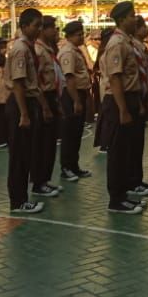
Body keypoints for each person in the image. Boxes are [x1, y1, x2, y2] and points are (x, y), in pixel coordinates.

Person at [101, 1, 145, 214]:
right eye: (131, 16)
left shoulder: (127, 42)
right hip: (120, 100)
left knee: (126, 150)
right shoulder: (117, 43)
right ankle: (116, 199)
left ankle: (124, 193)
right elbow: (115, 78)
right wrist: (123, 110)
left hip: (130, 98)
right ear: (121, 20)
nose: (135, 19)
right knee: (117, 152)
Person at [5, 8, 45, 214]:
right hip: (21, 103)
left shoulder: (28, 47)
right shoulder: (20, 49)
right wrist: (24, 114)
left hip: (28, 102)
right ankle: (18, 201)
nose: (39, 29)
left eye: (41, 25)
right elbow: (19, 82)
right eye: (36, 25)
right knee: (19, 154)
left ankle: (22, 198)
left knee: (26, 152)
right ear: (24, 26)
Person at [58, 20, 91, 182]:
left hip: (79, 94)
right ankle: (66, 167)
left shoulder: (75, 50)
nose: (82, 37)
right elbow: (69, 77)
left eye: (82, 34)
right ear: (70, 36)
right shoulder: (68, 52)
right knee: (69, 133)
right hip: (72, 95)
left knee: (77, 133)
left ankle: (74, 165)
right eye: (79, 35)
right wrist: (76, 100)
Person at [32, 16, 62, 199]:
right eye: (53, 29)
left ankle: (45, 179)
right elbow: (36, 81)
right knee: (41, 143)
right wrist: (45, 106)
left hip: (52, 96)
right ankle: (38, 182)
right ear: (43, 30)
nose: (56, 32)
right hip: (43, 98)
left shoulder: (49, 50)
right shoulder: (38, 50)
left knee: (50, 143)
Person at [128, 17, 148, 199]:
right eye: (143, 26)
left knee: (138, 143)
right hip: (133, 97)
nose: (147, 29)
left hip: (141, 96)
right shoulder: (132, 47)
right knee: (131, 145)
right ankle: (131, 181)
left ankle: (137, 179)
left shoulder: (141, 46)